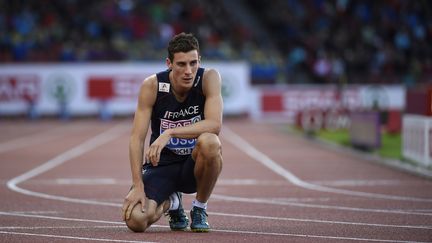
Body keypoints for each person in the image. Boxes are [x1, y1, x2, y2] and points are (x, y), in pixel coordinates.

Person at [121, 32, 223, 233]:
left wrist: (170, 133)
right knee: (136, 221)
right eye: (181, 64)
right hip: (162, 166)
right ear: (169, 63)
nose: (188, 71)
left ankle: (199, 208)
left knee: (211, 142)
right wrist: (137, 185)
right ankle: (173, 203)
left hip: (193, 166)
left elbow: (214, 125)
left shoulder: (208, 78)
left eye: (193, 63)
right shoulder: (152, 85)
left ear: (199, 61)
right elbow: (137, 138)